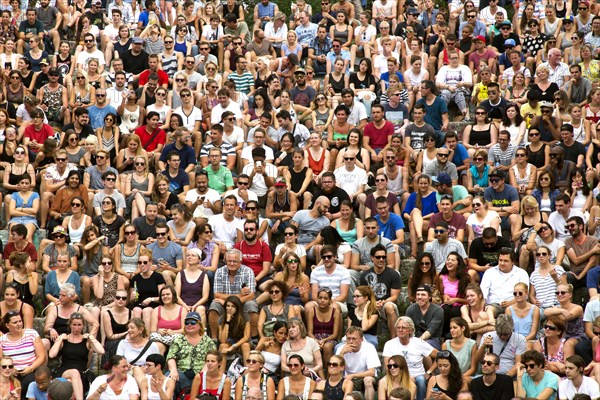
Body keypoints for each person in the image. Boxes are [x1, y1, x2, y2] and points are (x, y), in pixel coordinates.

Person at [48, 313, 105, 400]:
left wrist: (91, 337)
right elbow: (51, 354)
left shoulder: (86, 340)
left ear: (83, 326)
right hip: (64, 371)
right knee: (74, 373)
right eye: (74, 325)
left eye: (79, 325)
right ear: (70, 325)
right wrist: (60, 339)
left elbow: (101, 351)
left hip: (81, 374)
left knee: (71, 382)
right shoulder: (65, 339)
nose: (76, 328)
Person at [382, 317, 438, 400]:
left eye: (404, 327)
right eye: (398, 327)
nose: (400, 330)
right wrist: (405, 377)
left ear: (411, 330)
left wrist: (429, 371)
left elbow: (440, 356)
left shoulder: (419, 343)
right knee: (382, 381)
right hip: (397, 376)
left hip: (417, 376)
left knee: (421, 380)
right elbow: (388, 366)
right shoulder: (390, 344)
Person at [166, 312, 216, 395]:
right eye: (187, 323)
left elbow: (212, 359)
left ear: (200, 325)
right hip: (181, 374)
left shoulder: (208, 341)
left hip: (200, 374)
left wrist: (202, 374)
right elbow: (171, 357)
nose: (189, 325)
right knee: (169, 378)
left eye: (193, 323)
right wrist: (174, 370)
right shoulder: (178, 340)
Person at [335, 327, 380, 400]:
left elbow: (371, 372)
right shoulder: (341, 349)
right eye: (348, 338)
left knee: (368, 380)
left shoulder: (369, 348)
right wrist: (342, 353)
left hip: (364, 377)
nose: (351, 341)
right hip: (348, 378)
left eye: (354, 339)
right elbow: (335, 369)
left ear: (361, 340)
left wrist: (352, 375)